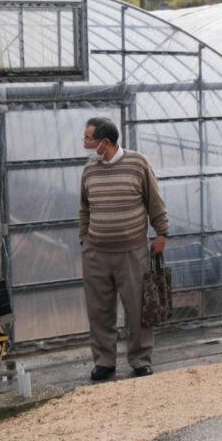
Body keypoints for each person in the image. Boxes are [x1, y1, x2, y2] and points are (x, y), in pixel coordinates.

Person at [80, 117, 168, 381]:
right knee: (99, 311)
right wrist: (84, 238)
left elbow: (155, 200)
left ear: (105, 143)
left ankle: (140, 360)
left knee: (139, 309)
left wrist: (161, 232)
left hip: (132, 252)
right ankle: (104, 362)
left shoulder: (137, 163)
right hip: (96, 253)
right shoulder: (90, 169)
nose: (85, 143)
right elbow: (84, 207)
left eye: (88, 139)